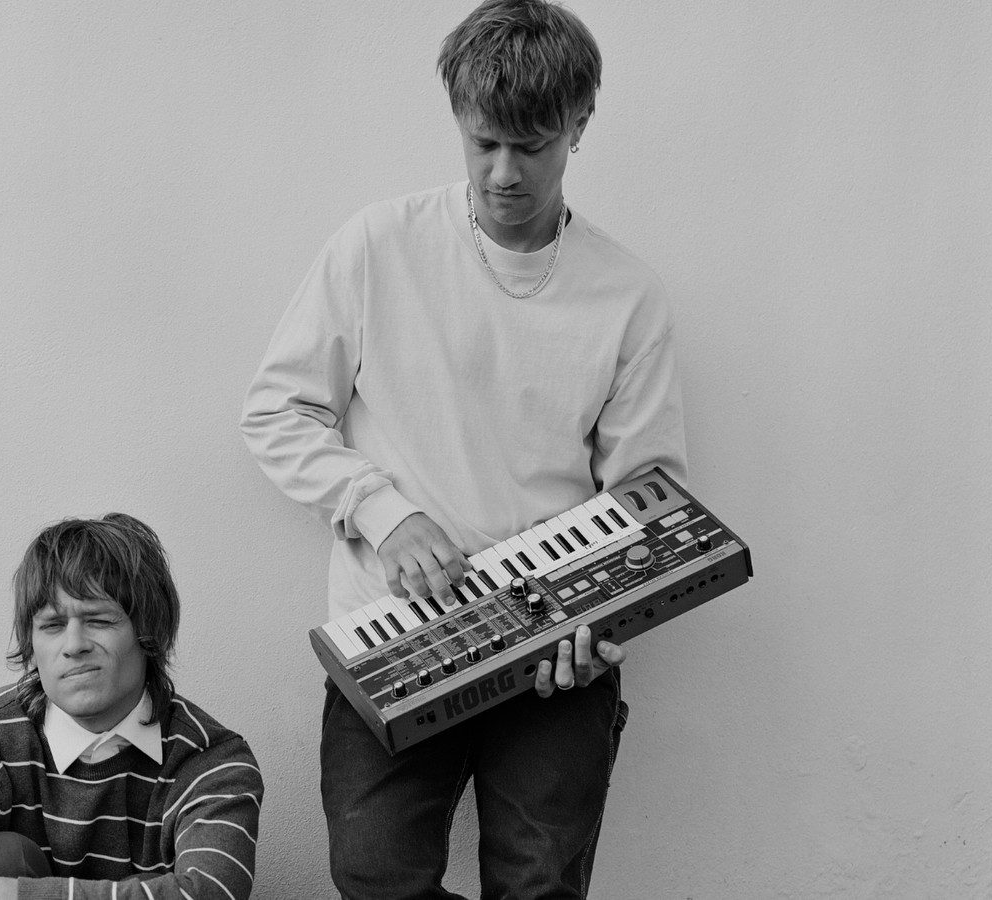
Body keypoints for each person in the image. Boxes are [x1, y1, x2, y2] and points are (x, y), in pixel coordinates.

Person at [239, 1, 687, 897]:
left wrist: (603, 619)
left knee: (538, 888)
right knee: (374, 877)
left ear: (579, 126)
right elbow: (276, 411)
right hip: (394, 634)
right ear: (457, 119)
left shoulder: (627, 294)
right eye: (484, 143)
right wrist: (382, 510)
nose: (503, 172)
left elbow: (648, 494)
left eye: (532, 145)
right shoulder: (378, 246)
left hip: (555, 650)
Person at [0, 513, 264, 900]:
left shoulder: (212, 759)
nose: (73, 645)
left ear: (149, 631)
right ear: (32, 644)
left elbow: (210, 893)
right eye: (52, 625)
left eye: (98, 620)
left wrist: (7, 894)